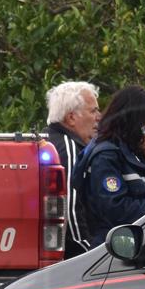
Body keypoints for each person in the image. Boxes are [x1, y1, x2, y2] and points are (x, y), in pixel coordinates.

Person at [72, 85, 145, 247]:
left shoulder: (133, 151)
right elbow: (116, 209)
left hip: (139, 241)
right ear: (133, 120)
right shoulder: (106, 156)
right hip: (115, 247)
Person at [43, 81, 101, 258]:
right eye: (93, 111)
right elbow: (70, 208)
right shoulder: (68, 149)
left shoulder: (47, 141)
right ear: (71, 118)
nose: (99, 116)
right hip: (73, 258)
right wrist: (89, 254)